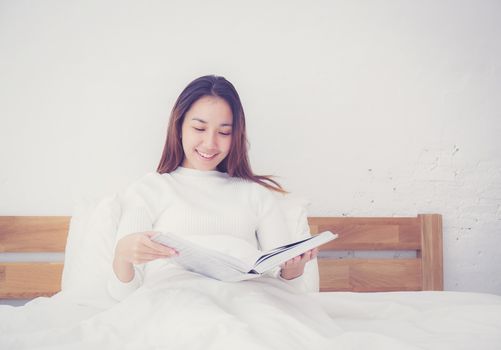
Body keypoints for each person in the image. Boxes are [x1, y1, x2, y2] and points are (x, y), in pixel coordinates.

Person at [108, 75, 318, 301]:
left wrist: (294, 269)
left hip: (247, 304)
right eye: (199, 128)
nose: (210, 143)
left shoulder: (255, 194)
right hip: (174, 304)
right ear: (179, 127)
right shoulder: (149, 190)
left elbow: (287, 293)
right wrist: (122, 254)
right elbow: (123, 296)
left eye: (224, 132)